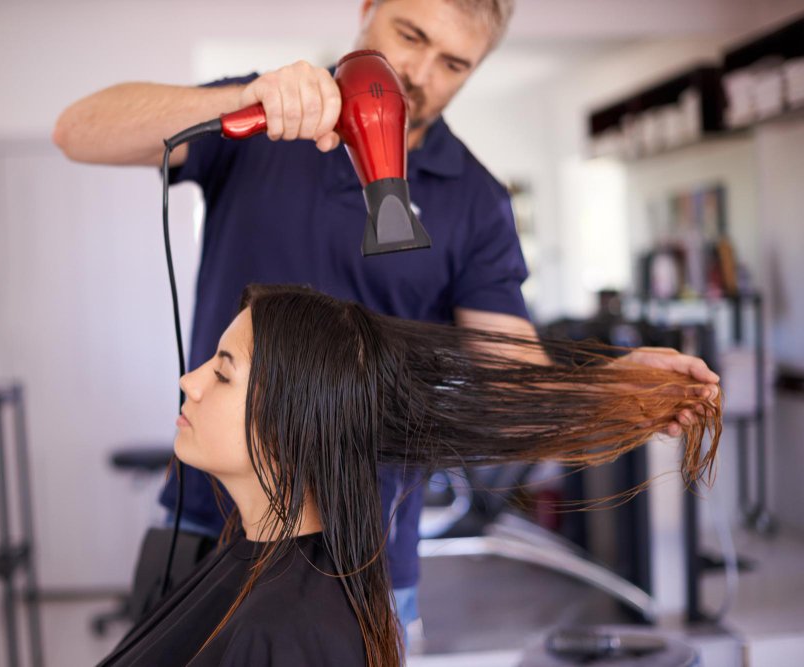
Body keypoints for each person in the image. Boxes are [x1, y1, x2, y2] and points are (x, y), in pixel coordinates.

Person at [53, 0, 721, 630]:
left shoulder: (475, 201)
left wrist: (610, 385)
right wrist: (244, 98)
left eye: (454, 64)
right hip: (203, 529)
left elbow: (509, 379)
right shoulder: (259, 126)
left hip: (360, 560)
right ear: (367, 9)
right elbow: (77, 131)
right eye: (410, 35)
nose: (420, 75)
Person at [96, 284, 722, 667]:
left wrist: (599, 390)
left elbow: (509, 369)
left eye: (223, 372)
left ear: (297, 418)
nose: (189, 380)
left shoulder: (286, 630)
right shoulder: (253, 567)